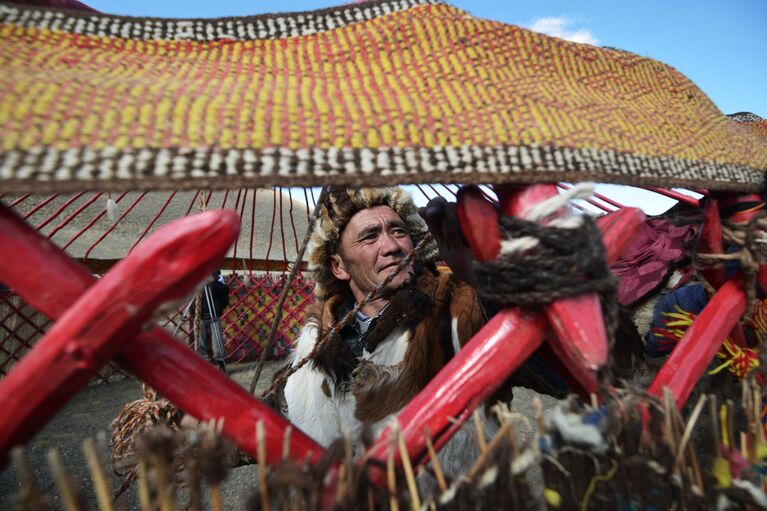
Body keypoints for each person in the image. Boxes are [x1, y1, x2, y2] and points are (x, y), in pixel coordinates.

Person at [282, 187, 488, 451]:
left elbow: (547, 368)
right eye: (369, 237)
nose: (392, 246)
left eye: (399, 231)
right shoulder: (316, 343)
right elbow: (280, 416)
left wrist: (488, 282)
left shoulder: (456, 307)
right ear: (339, 267)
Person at [198, 270, 230, 370]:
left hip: (214, 313)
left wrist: (213, 282)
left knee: (217, 340)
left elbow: (225, 291)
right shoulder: (199, 283)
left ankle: (221, 362)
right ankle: (203, 361)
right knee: (201, 340)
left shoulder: (218, 283)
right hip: (201, 314)